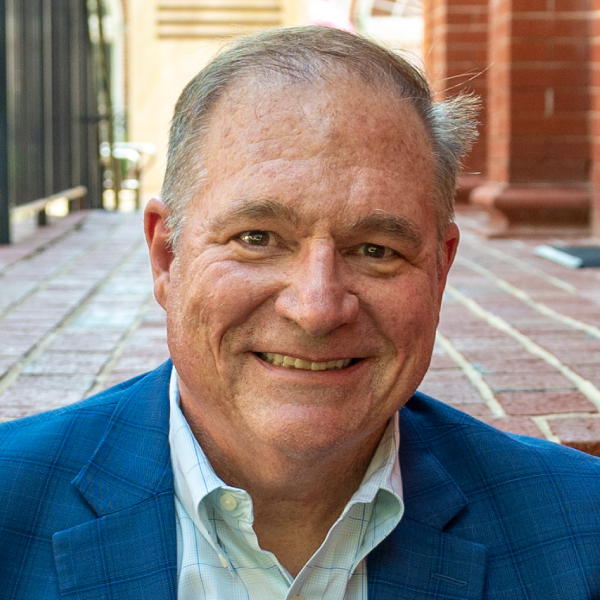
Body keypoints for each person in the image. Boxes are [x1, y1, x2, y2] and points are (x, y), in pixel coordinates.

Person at [1, 26, 599, 600]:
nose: (317, 309)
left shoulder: (581, 528)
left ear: (440, 271)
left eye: (376, 250)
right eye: (257, 238)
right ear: (167, 256)